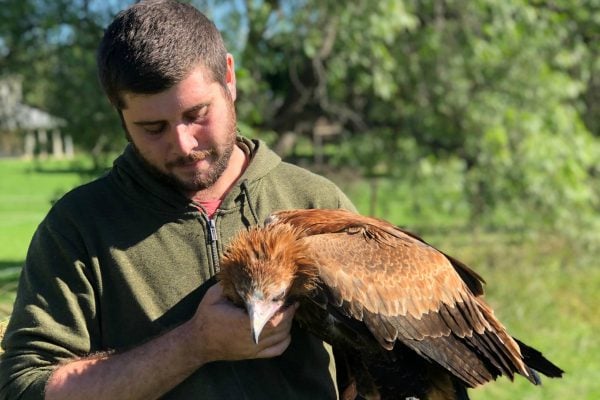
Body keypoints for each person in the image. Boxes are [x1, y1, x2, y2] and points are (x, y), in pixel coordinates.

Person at [0, 1, 356, 399]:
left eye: (197, 114)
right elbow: (23, 388)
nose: (183, 144)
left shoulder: (316, 203)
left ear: (230, 78)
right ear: (118, 112)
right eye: (153, 128)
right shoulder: (79, 227)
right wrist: (192, 345)